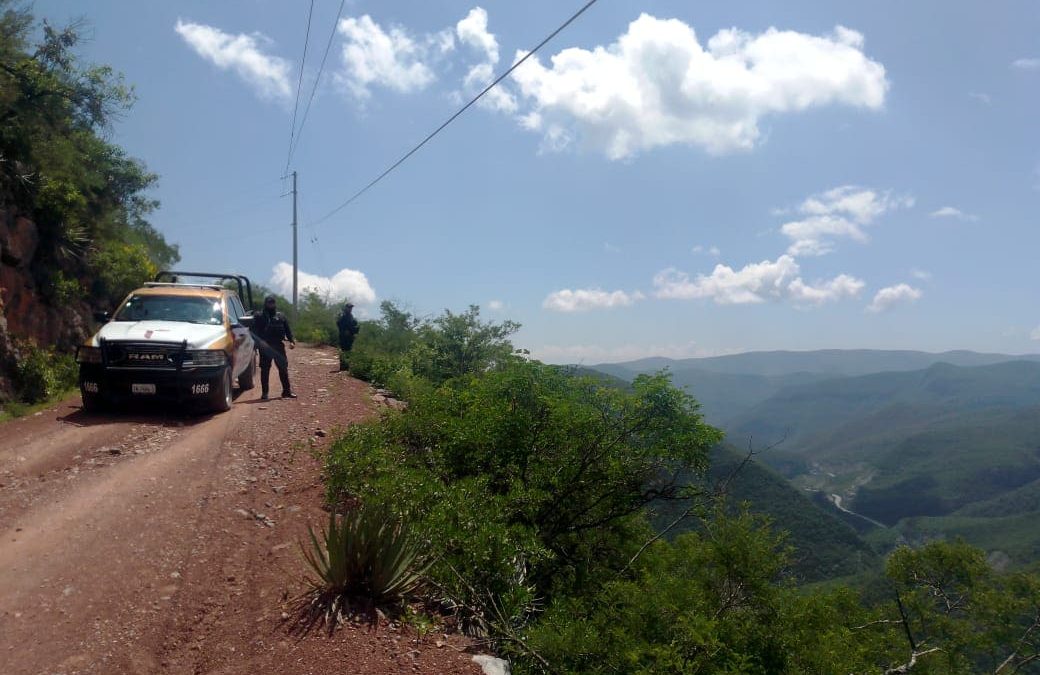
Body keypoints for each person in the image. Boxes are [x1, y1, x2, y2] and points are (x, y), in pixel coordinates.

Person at [253, 295, 296, 400]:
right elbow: (254, 332)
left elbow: (287, 330)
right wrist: (255, 345)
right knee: (265, 370)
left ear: (275, 304)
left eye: (272, 303)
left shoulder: (281, 316)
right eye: (269, 303)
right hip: (265, 346)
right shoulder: (259, 316)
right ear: (265, 304)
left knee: (283, 369)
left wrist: (291, 341)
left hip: (278, 346)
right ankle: (265, 393)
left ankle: (286, 392)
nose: (271, 304)